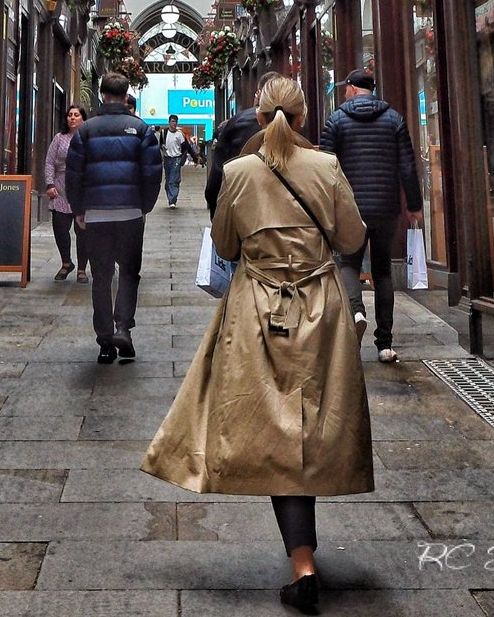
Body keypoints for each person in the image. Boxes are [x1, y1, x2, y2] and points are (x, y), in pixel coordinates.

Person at [142, 77, 372, 614]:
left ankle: (303, 563)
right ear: (304, 115)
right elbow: (353, 238)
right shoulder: (327, 166)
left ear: (259, 114)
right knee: (310, 424)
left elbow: (224, 243)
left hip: (256, 311)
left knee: (272, 427)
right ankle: (304, 559)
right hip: (319, 307)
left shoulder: (239, 173)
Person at [319, 69, 423, 363]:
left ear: (352, 88)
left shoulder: (337, 120)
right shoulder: (394, 120)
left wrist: (327, 207)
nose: (344, 93)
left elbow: (324, 168)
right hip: (385, 208)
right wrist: (414, 204)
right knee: (382, 270)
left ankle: (356, 312)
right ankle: (385, 344)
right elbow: (407, 166)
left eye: (345, 88)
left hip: (351, 208)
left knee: (349, 263)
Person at [66, 72, 162, 363]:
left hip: (95, 215)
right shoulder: (141, 129)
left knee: (102, 276)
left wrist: (79, 209)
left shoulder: (86, 131)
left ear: (102, 95)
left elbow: (74, 175)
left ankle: (105, 339)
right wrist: (143, 206)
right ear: (125, 95)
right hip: (130, 214)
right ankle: (123, 328)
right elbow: (152, 173)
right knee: (130, 273)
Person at [204, 70, 281, 216]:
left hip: (245, 214)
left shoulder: (238, 122)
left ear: (259, 94)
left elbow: (217, 180)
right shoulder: (321, 165)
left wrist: (219, 217)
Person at [43, 105, 89, 282]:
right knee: (60, 229)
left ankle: (82, 269)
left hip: (82, 189)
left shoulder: (88, 138)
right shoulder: (59, 138)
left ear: (83, 119)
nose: (72, 118)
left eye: (76, 115)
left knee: (83, 231)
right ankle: (66, 262)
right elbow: (49, 162)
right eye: (69, 115)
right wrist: (49, 183)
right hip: (60, 188)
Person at [159, 114, 196, 207]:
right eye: (172, 121)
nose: (174, 123)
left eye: (175, 121)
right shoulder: (164, 133)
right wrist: (162, 147)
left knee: (174, 179)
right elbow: (160, 144)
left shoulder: (180, 134)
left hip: (177, 158)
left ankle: (172, 200)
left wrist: (195, 158)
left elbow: (186, 147)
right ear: (169, 122)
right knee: (168, 179)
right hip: (167, 158)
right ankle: (170, 197)